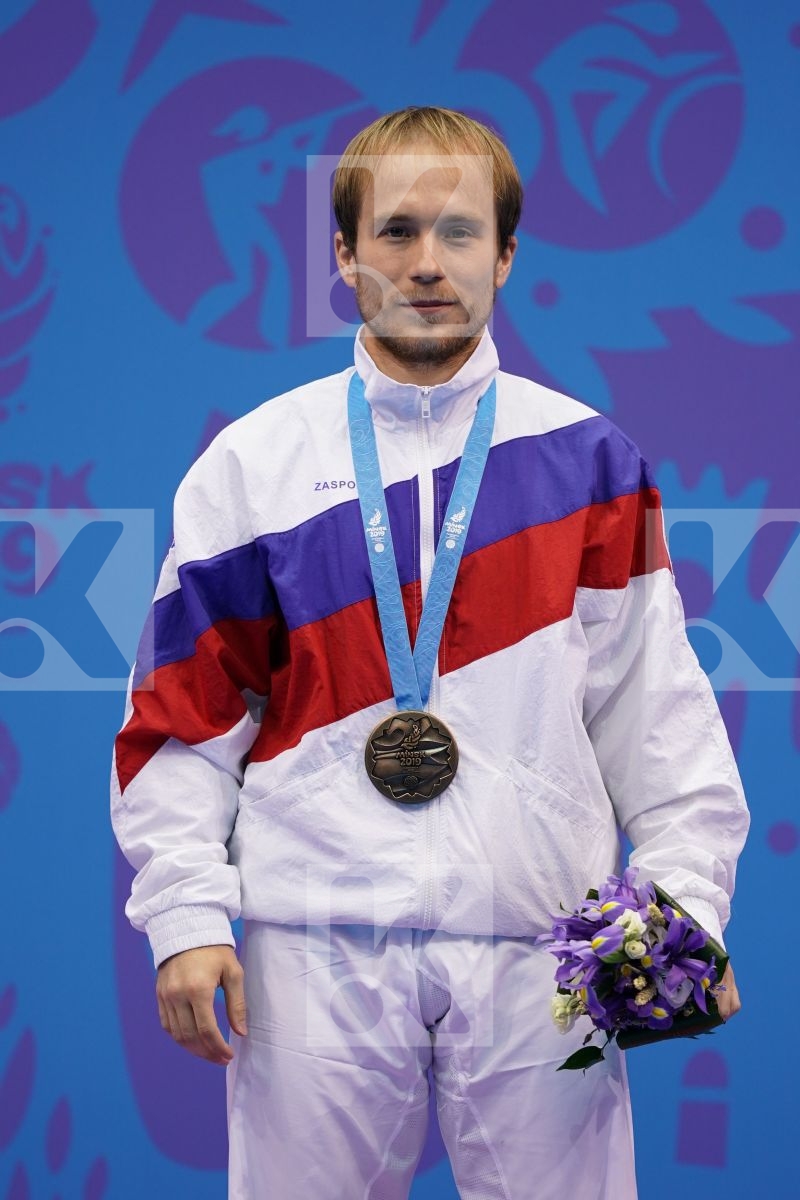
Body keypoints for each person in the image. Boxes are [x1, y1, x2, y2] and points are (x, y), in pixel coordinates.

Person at [111, 106, 748, 1199]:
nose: (426, 263)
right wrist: (182, 913)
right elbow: (183, 716)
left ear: (503, 255)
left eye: (457, 233)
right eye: (396, 232)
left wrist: (680, 905)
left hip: (543, 952)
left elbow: (656, 711)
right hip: (310, 950)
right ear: (345, 255)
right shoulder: (253, 465)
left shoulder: (586, 458)